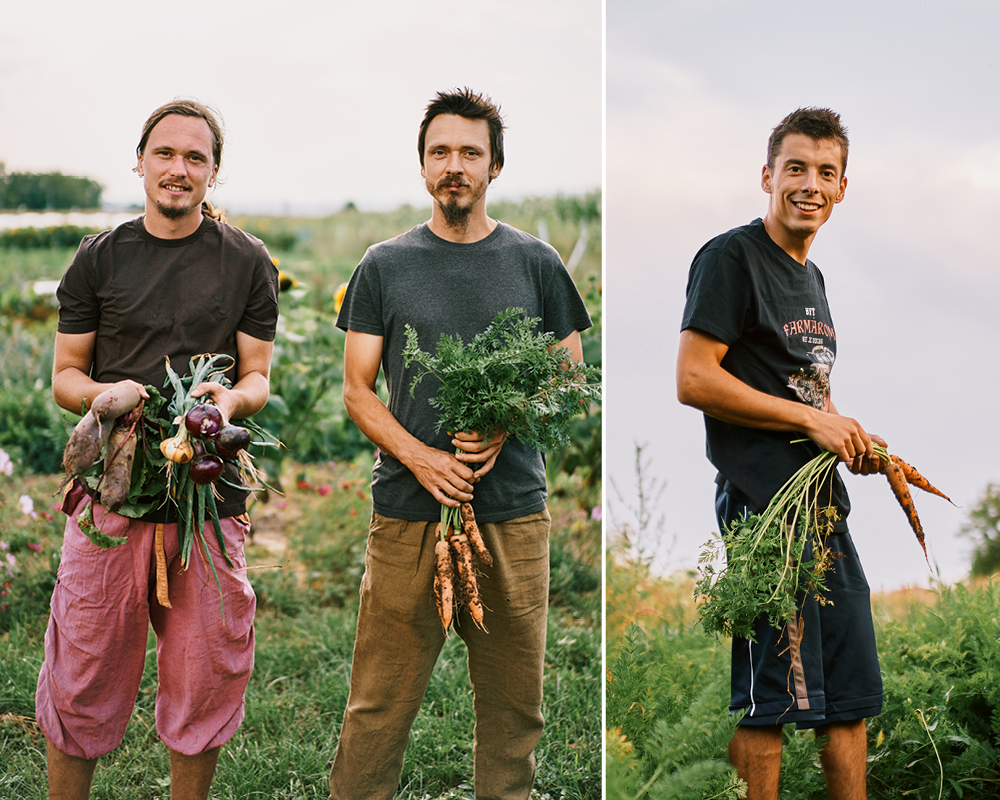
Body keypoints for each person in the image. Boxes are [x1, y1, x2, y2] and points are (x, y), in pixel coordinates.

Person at [329, 88, 593, 800]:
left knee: (514, 710)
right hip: (409, 513)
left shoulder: (535, 262)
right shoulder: (385, 264)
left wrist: (508, 420)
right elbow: (357, 390)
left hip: (512, 512)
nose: (455, 166)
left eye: (470, 153)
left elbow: (570, 379)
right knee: (378, 708)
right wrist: (424, 458)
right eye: (440, 152)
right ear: (421, 167)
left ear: (495, 167)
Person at [36, 99, 279, 800]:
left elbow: (257, 372)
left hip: (208, 494)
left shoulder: (246, 261)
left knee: (206, 673)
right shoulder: (100, 257)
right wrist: (103, 395)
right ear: (139, 161)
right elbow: (65, 377)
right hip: (110, 495)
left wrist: (227, 403)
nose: (179, 169)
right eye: (165, 154)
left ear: (213, 174)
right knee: (83, 667)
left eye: (195, 157)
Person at [676, 108, 884, 800]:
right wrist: (810, 421)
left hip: (821, 506)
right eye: (796, 168)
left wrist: (845, 435)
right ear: (768, 176)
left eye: (826, 172)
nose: (810, 184)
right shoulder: (730, 258)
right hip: (765, 508)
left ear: (843, 188)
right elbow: (694, 378)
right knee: (770, 692)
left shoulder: (813, 279)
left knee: (852, 690)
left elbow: (806, 388)